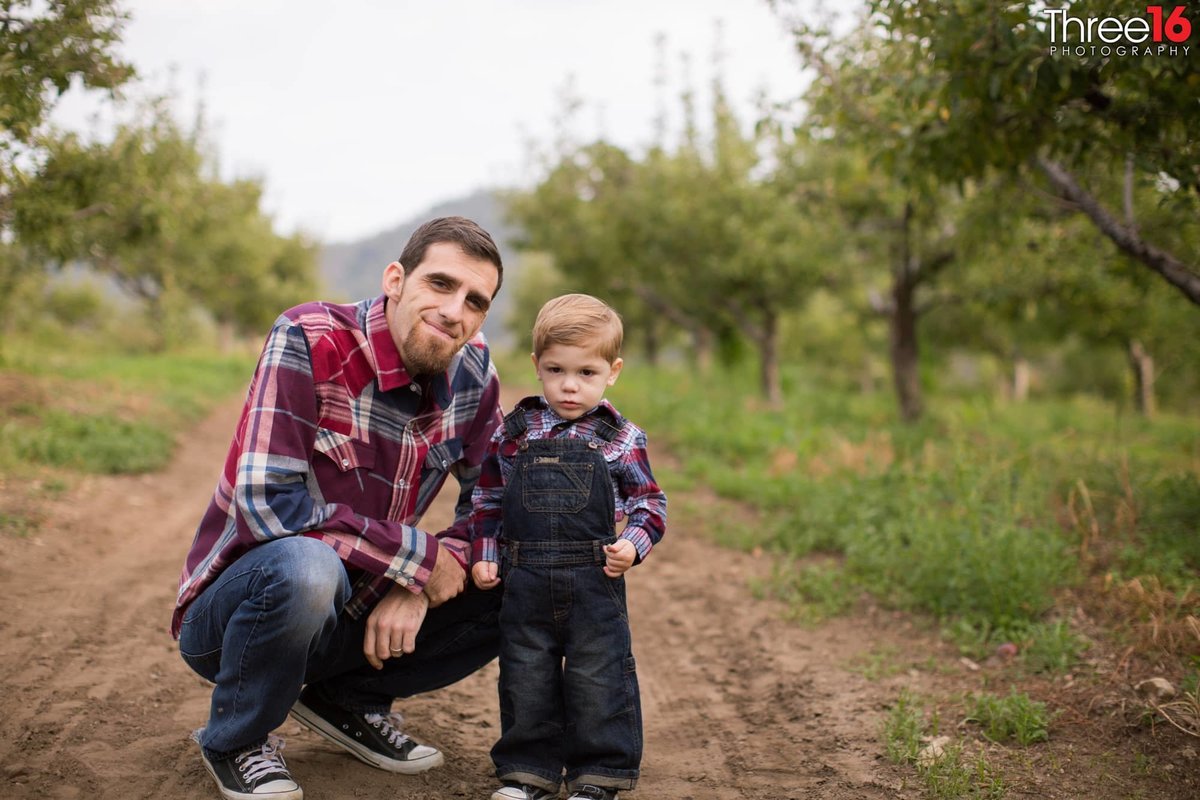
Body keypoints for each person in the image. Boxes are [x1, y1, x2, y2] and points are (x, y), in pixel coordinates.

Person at [172, 216, 507, 800]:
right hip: (239, 617)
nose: (455, 311)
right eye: (441, 284)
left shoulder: (474, 370)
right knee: (308, 566)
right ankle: (236, 738)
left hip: (358, 606)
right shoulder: (310, 336)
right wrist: (416, 558)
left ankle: (345, 699)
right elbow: (266, 506)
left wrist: (418, 576)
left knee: (520, 565)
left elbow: (496, 499)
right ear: (396, 279)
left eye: (475, 301)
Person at [469, 294, 668, 800]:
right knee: (525, 675)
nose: (570, 385)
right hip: (525, 580)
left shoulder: (620, 438)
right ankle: (527, 773)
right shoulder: (512, 434)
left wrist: (632, 544)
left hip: (593, 580)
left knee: (598, 675)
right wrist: (485, 551)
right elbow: (488, 498)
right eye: (556, 369)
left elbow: (650, 503)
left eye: (586, 372)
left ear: (613, 371)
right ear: (536, 366)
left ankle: (598, 774)